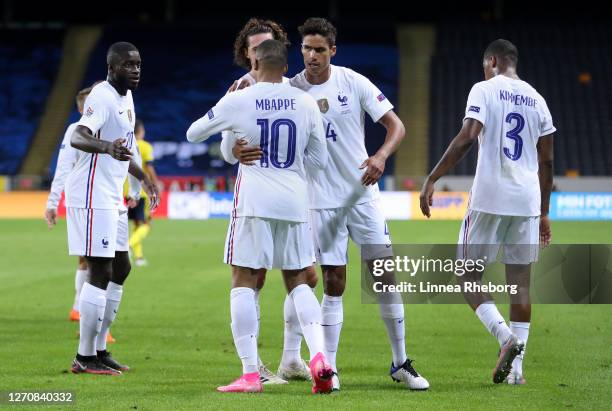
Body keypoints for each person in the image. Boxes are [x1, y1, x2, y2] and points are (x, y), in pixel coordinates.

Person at [187, 39, 333, 394]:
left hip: (254, 202)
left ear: (256, 65)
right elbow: (321, 161)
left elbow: (193, 134)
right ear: (285, 67)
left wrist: (233, 138)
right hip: (295, 201)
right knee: (299, 279)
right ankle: (320, 357)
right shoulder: (306, 102)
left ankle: (251, 374)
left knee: (244, 280)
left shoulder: (238, 98)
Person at [420, 39, 555, 385]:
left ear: (492, 61)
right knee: (520, 286)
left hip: (490, 197)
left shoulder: (484, 89)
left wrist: (433, 176)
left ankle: (504, 337)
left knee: (466, 275)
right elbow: (547, 161)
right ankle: (518, 373)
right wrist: (543, 212)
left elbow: (468, 135)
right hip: (526, 201)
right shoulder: (538, 100)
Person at [220, 17, 314, 384]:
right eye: (254, 46)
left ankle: (292, 357)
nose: (260, 51)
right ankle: (254, 364)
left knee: (307, 276)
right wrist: (235, 147)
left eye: (267, 45)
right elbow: (228, 153)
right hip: (258, 196)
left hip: (298, 195)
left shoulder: (295, 89)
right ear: (247, 54)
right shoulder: (238, 94)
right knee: (251, 276)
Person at [66, 41, 159, 375]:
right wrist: (105, 146)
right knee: (100, 270)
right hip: (91, 197)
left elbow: (128, 149)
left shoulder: (127, 97)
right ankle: (84, 357)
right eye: (128, 65)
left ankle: (100, 348)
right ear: (112, 67)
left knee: (122, 268)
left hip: (112, 198)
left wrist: (143, 179)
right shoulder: (102, 96)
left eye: (138, 64)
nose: (135, 70)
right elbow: (79, 135)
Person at [44, 84, 120, 344]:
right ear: (81, 107)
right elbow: (63, 167)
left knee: (110, 264)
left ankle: (90, 318)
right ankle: (83, 314)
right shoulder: (73, 132)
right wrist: (53, 202)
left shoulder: (114, 127)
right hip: (86, 201)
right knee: (90, 262)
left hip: (110, 201)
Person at [125, 119, 159, 267]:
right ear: (141, 131)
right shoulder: (145, 146)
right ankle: (128, 245)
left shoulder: (125, 143)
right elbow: (149, 168)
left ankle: (138, 258)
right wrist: (155, 185)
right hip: (141, 192)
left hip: (125, 190)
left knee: (137, 224)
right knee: (146, 225)